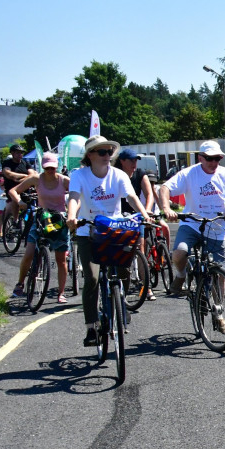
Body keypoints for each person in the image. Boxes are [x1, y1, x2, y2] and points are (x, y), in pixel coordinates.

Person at [66, 135, 151, 346]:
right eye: (101, 152)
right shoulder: (79, 175)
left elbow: (131, 197)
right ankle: (91, 327)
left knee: (123, 272)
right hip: (89, 232)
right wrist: (71, 216)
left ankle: (119, 300)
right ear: (90, 155)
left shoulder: (119, 175)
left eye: (109, 152)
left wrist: (144, 214)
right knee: (93, 279)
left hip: (114, 231)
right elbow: (75, 198)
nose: (107, 156)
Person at [158, 142, 225, 332]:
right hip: (192, 223)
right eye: (210, 158)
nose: (214, 162)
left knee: (220, 272)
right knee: (180, 253)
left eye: (218, 158)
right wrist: (166, 208)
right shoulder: (190, 173)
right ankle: (180, 275)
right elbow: (164, 188)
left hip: (216, 227)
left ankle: (219, 314)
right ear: (201, 158)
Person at [9, 154, 71, 302]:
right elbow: (13, 191)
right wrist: (19, 201)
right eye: (47, 167)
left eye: (53, 167)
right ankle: (20, 284)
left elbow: (78, 195)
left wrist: (72, 212)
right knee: (29, 253)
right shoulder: (36, 179)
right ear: (43, 166)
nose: (50, 170)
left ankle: (61, 293)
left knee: (61, 259)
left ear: (57, 166)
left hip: (59, 220)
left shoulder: (64, 181)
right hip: (41, 218)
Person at [114, 148, 159, 300]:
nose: (134, 163)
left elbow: (149, 195)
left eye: (136, 160)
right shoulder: (115, 174)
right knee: (117, 251)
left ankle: (146, 286)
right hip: (118, 216)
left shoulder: (140, 174)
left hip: (136, 215)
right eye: (131, 160)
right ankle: (114, 285)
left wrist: (146, 212)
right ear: (122, 161)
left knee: (140, 248)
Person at [0, 143, 37, 235]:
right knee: (15, 201)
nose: (20, 154)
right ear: (12, 153)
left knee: (34, 205)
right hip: (12, 188)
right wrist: (26, 176)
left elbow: (33, 175)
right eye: (18, 153)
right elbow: (9, 174)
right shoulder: (7, 163)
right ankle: (15, 221)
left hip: (26, 188)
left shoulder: (25, 163)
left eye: (21, 153)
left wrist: (19, 178)